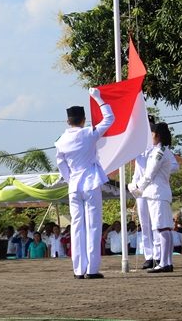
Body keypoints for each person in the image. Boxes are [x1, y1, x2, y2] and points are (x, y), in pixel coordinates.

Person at [54, 87, 114, 279]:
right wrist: (99, 98)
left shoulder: (61, 141)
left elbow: (60, 162)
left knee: (77, 227)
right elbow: (109, 119)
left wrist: (70, 178)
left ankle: (78, 270)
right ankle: (92, 269)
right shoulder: (88, 133)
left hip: (74, 186)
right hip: (90, 182)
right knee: (93, 225)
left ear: (67, 121)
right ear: (83, 120)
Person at [130, 117, 179, 269]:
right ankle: (167, 262)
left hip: (156, 193)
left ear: (157, 135)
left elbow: (149, 174)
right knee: (164, 227)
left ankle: (163, 262)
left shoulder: (158, 152)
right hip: (158, 193)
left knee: (161, 228)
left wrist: (136, 186)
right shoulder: (161, 150)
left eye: (151, 134)